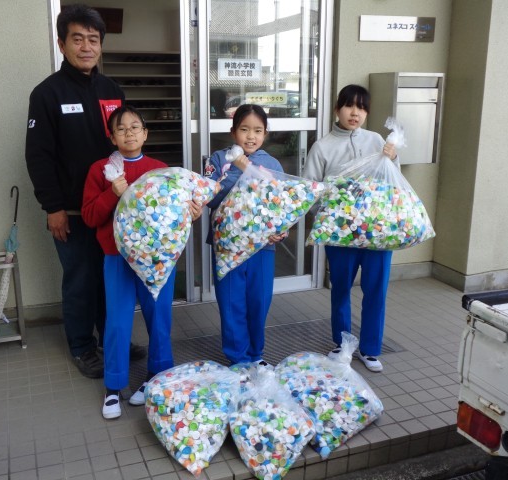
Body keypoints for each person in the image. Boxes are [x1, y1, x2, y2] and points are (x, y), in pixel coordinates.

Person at [25, 4, 145, 379]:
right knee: (80, 281)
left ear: (101, 45)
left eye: (93, 39)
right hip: (73, 211)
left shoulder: (112, 90)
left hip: (114, 208)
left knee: (112, 278)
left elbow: (127, 141)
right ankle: (82, 346)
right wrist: (53, 207)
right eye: (77, 39)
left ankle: (113, 338)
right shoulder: (47, 93)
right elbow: (38, 155)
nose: (86, 46)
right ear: (62, 44)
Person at [82, 105, 203, 419]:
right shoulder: (101, 170)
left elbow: (176, 213)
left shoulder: (160, 169)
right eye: (121, 129)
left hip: (158, 260)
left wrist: (192, 213)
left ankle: (157, 376)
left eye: (135, 127)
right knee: (118, 321)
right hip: (117, 258)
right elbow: (90, 216)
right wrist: (112, 192)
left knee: (159, 317)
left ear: (145, 133)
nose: (129, 133)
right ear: (112, 137)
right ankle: (113, 386)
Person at [303, 84, 398, 373]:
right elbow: (310, 190)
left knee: (376, 290)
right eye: (349, 106)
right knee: (341, 288)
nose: (355, 113)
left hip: (376, 233)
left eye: (362, 107)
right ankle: (342, 344)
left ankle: (370, 349)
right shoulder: (323, 147)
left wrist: (393, 158)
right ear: (337, 109)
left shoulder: (377, 141)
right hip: (340, 236)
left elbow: (393, 182)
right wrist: (330, 219)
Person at [204, 104, 287, 366]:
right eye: (244, 129)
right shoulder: (218, 159)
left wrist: (281, 230)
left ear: (265, 134)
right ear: (233, 132)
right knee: (232, 303)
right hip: (227, 246)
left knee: (259, 301)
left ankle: (256, 354)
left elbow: (282, 204)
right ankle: (238, 357)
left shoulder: (272, 163)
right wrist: (241, 169)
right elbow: (209, 197)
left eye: (257, 130)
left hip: (262, 247)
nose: (251, 136)